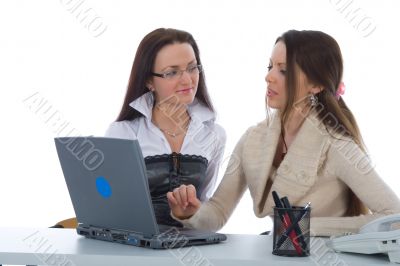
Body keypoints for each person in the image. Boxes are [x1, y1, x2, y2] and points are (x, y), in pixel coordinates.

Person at [167, 30, 400, 236]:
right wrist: (190, 214)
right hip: (279, 256)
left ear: (316, 85)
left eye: (284, 70)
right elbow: (218, 211)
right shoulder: (253, 138)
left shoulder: (336, 145)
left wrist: (309, 227)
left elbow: (395, 217)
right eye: (270, 67)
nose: (269, 76)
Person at [105, 28, 226, 227]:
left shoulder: (214, 135)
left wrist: (190, 215)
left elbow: (206, 207)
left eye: (192, 67)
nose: (187, 80)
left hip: (191, 248)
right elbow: (110, 206)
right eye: (172, 72)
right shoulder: (123, 133)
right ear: (148, 81)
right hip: (134, 249)